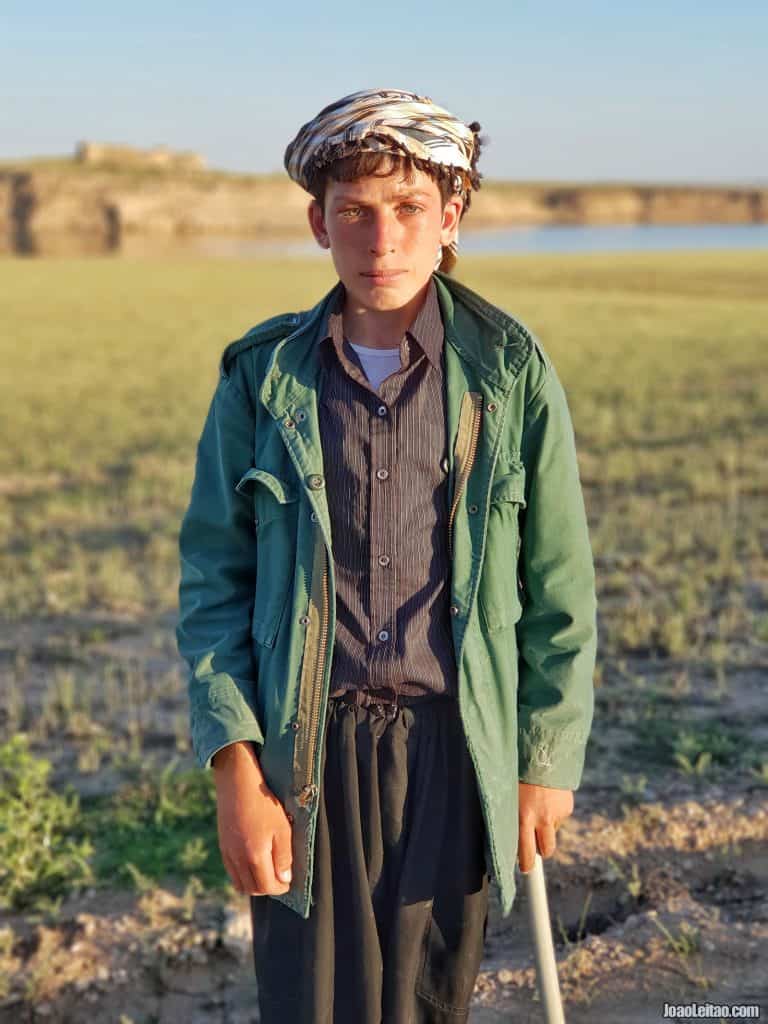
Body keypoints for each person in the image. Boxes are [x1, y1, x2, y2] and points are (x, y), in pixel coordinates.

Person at [176, 87, 597, 1023]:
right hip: (304, 754)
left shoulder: (511, 373)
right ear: (317, 223)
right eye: (354, 213)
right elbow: (214, 587)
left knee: (427, 1001)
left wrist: (545, 761)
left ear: (450, 218)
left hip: (456, 743)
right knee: (309, 1004)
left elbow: (561, 586)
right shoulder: (262, 380)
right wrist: (236, 773)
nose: (382, 240)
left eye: (408, 209)